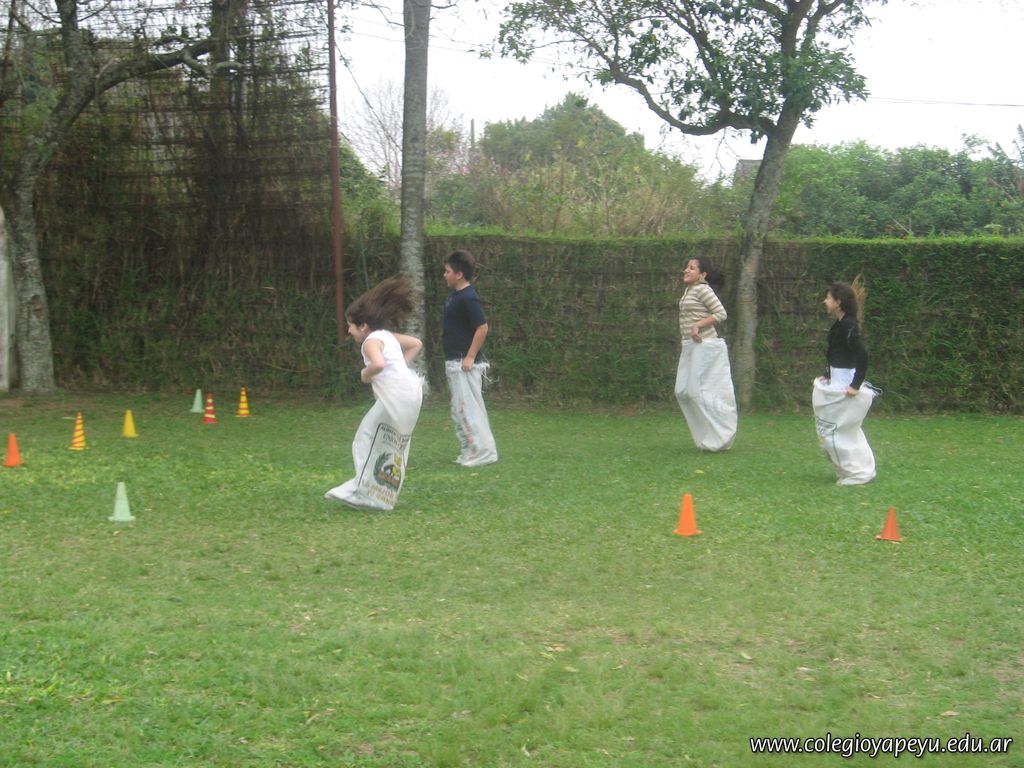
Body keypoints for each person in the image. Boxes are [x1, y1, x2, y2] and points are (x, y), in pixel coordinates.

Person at [325, 277, 424, 510]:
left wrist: (365, 374)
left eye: (351, 325)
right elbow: (416, 344)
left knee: (365, 437)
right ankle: (382, 497)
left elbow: (378, 364)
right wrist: (400, 368)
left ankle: (362, 491)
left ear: (363, 326)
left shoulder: (370, 341)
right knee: (393, 443)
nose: (349, 330)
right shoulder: (387, 336)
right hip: (412, 392)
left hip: (397, 396)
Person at [812, 279, 877, 485]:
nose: (825, 301)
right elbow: (837, 352)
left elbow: (862, 355)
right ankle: (850, 469)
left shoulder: (849, 326)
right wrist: (828, 375)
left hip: (845, 384)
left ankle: (856, 472)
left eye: (828, 298)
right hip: (836, 381)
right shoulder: (840, 324)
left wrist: (855, 385)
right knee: (836, 430)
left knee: (836, 430)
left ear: (838, 302)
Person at [674, 256, 738, 451]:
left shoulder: (703, 289)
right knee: (682, 391)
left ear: (702, 275)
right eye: (686, 267)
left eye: (692, 268)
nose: (686, 270)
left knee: (697, 392)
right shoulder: (690, 290)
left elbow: (721, 313)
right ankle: (707, 436)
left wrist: (698, 325)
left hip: (705, 346)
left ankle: (721, 436)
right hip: (689, 346)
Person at [442, 250, 498, 466]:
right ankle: (469, 450)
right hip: (454, 361)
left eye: (447, 271)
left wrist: (470, 357)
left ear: (459, 274)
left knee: (468, 409)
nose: (444, 275)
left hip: (463, 364)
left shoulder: (468, 297)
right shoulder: (455, 296)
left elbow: (482, 327)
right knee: (459, 410)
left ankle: (484, 453)